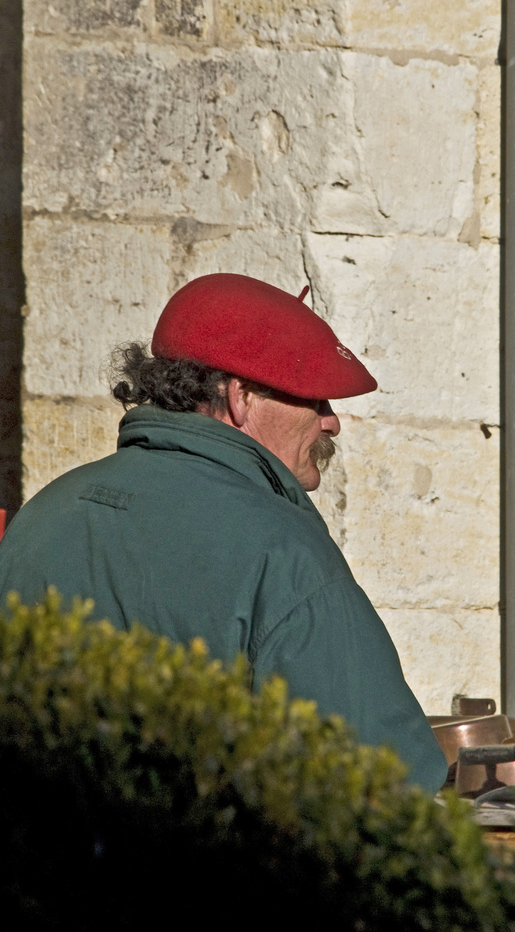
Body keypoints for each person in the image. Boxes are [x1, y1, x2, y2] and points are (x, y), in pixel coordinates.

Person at [0, 274, 447, 793]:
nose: (332, 424)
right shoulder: (285, 552)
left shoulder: (44, 513)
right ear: (242, 397)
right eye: (317, 402)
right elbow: (388, 787)